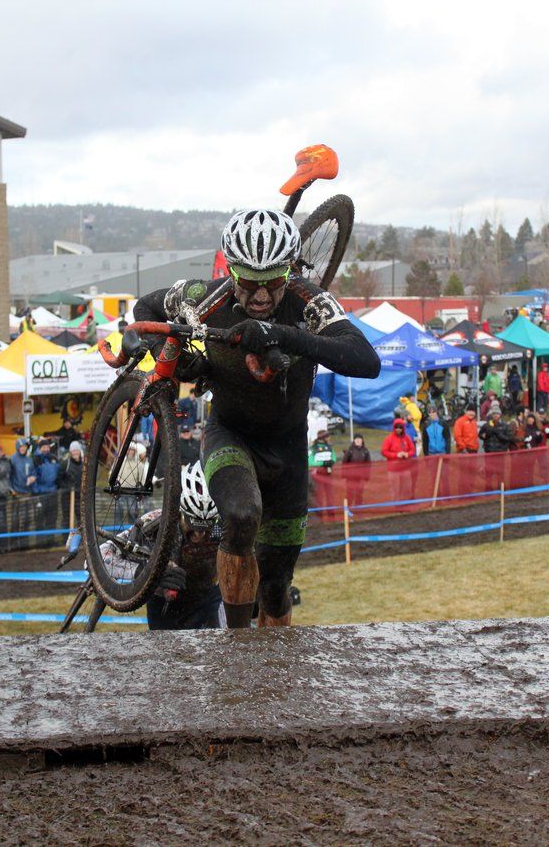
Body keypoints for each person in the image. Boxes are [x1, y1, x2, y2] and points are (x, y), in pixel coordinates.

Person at [131, 208, 379, 628]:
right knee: (242, 516)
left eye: (273, 283)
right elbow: (145, 309)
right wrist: (170, 358)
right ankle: (239, 646)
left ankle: (275, 643)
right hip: (231, 433)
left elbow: (365, 360)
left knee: (277, 584)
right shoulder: (204, 294)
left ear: (289, 272)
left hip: (288, 448)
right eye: (248, 283)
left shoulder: (307, 301)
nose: (261, 296)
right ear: (231, 272)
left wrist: (283, 335)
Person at [97, 463, 226, 630]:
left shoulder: (223, 523)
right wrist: (147, 571)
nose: (199, 535)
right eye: (192, 526)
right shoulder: (157, 521)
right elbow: (100, 556)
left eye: (205, 527)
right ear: (180, 510)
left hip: (208, 599)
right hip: (164, 603)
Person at [8, 438, 37, 550]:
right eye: (21, 446)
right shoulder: (12, 459)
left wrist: (33, 477)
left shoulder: (29, 460)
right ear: (17, 447)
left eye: (25, 446)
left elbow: (33, 472)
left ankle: (25, 545)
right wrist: (11, 489)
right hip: (16, 494)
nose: (23, 448)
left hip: (27, 493)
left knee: (27, 519)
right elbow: (8, 476)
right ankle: (13, 545)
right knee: (15, 520)